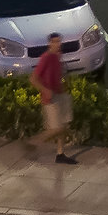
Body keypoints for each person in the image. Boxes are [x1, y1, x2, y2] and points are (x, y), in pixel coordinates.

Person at [31, 33, 76, 165]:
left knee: (63, 125)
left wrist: (64, 84)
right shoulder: (46, 58)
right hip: (50, 99)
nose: (58, 44)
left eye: (59, 42)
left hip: (60, 95)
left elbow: (59, 74)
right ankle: (33, 142)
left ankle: (60, 154)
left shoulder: (58, 57)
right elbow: (33, 79)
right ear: (49, 44)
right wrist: (45, 90)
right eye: (55, 42)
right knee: (56, 129)